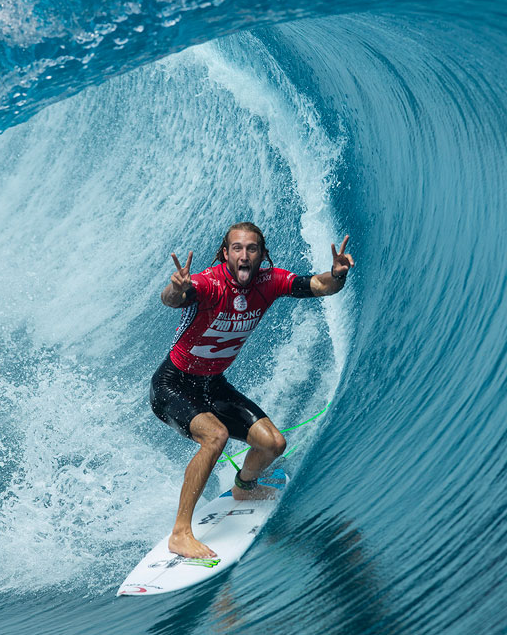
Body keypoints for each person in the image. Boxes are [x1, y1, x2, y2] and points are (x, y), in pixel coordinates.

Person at [151, 221, 355, 559]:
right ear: (225, 254)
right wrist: (176, 288)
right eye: (237, 248)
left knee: (273, 443)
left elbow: (319, 285)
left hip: (212, 385)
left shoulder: (269, 282)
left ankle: (244, 488)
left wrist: (338, 275)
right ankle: (180, 534)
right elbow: (174, 299)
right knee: (214, 436)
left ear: (261, 254)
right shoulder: (208, 283)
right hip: (172, 385)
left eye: (252, 249)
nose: (244, 255)